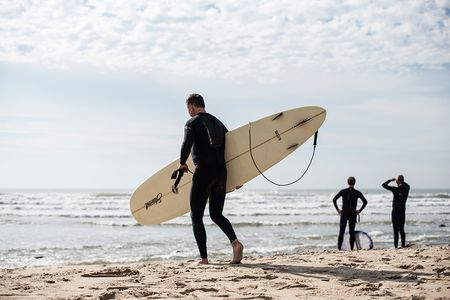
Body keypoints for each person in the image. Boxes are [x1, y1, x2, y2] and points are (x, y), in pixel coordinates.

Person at [179, 93, 244, 264]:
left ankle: (204, 259)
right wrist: (240, 177)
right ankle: (235, 243)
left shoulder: (192, 123)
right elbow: (233, 150)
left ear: (192, 106)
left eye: (188, 109)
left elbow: (186, 144)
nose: (188, 112)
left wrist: (182, 163)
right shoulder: (219, 123)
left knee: (196, 216)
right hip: (221, 173)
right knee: (216, 214)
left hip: (204, 173)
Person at [332, 176, 368, 250]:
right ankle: (351, 249)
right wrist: (359, 210)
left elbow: (334, 199)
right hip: (352, 214)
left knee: (341, 232)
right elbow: (365, 202)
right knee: (352, 232)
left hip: (344, 213)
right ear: (354, 183)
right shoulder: (357, 192)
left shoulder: (343, 191)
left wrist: (337, 209)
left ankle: (339, 249)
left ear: (347, 182)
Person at [382, 175, 410, 248]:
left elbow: (383, 185)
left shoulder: (395, 189)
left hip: (395, 212)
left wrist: (391, 180)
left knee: (395, 230)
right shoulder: (407, 188)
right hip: (402, 212)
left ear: (397, 181)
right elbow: (406, 185)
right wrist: (400, 181)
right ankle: (403, 245)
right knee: (401, 229)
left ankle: (396, 247)